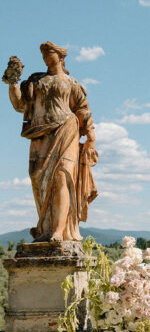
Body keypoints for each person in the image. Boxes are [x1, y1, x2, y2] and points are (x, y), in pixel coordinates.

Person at [6, 41, 98, 242]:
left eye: (49, 53)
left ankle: (58, 231)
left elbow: (83, 109)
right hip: (40, 134)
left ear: (61, 57)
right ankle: (46, 228)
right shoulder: (36, 82)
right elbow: (20, 105)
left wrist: (90, 137)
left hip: (66, 130)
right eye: (43, 54)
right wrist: (13, 83)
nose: (46, 57)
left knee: (61, 176)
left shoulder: (71, 83)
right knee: (38, 178)